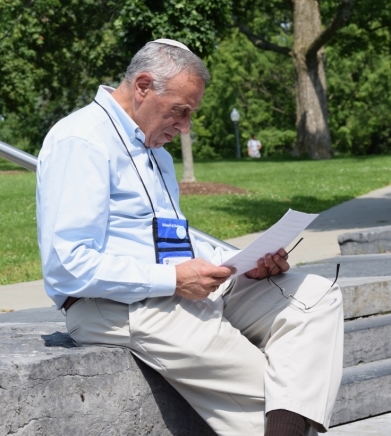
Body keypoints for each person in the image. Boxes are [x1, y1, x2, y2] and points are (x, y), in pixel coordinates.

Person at [36, 39, 344, 436]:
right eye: (180, 111)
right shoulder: (81, 140)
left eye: (189, 114)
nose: (184, 127)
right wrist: (174, 279)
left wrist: (242, 263)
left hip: (175, 289)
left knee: (314, 296)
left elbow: (171, 240)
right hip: (112, 305)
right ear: (143, 85)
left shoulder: (157, 154)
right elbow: (67, 266)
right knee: (275, 390)